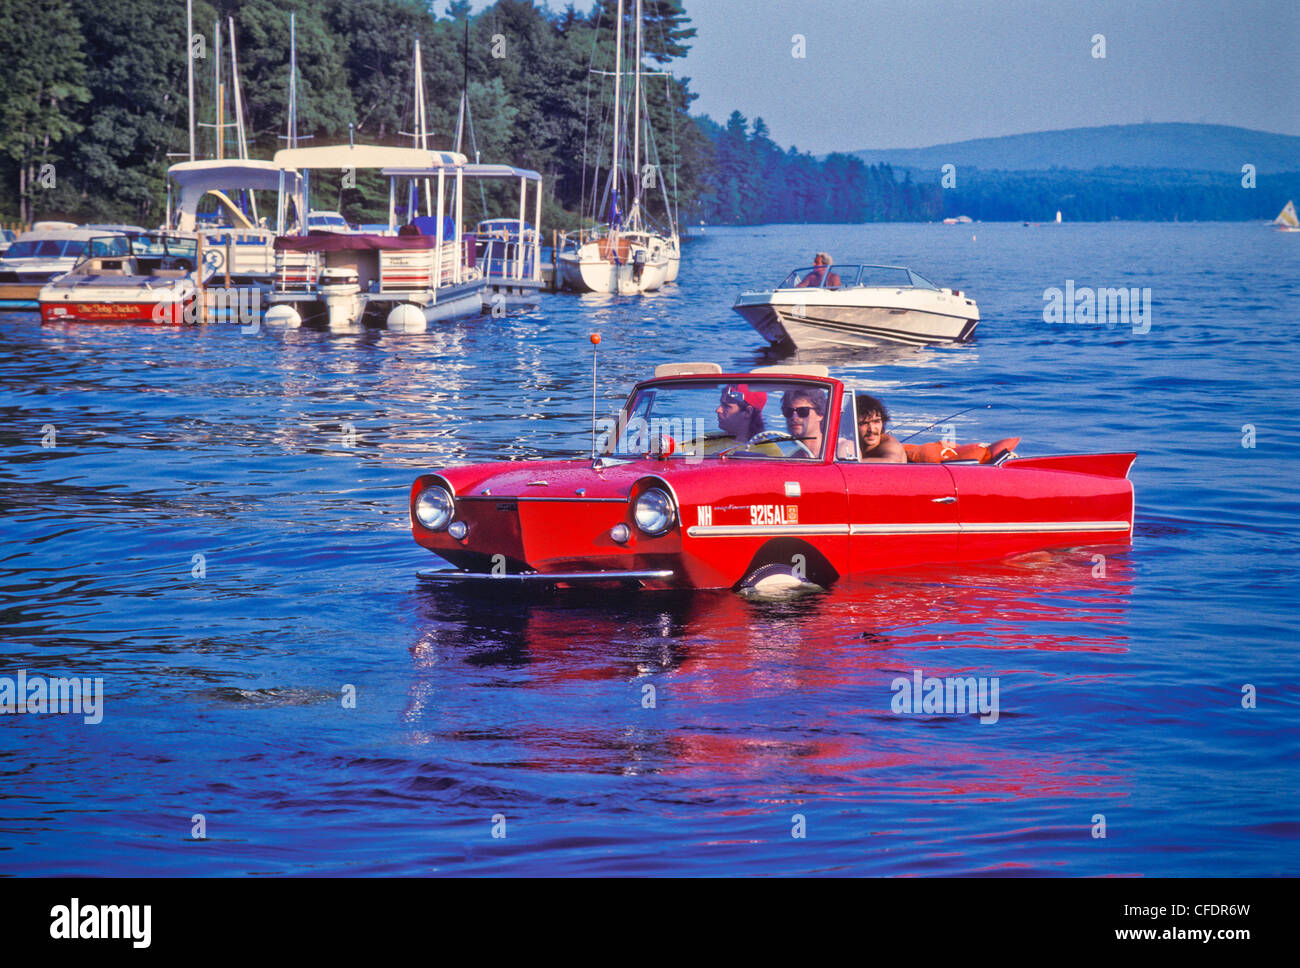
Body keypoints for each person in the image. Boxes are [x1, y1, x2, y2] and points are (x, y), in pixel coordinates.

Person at [854, 392, 906, 462]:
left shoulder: (889, 444)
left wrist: (854, 462)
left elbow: (892, 461)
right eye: (864, 423)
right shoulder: (852, 443)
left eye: (876, 421)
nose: (871, 429)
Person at [781, 388, 827, 458]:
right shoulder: (792, 458)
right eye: (788, 411)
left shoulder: (841, 451)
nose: (794, 417)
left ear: (820, 414)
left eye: (803, 411)